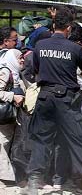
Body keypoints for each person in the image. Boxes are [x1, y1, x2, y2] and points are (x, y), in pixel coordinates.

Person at [23, 7, 82, 195]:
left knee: (41, 140)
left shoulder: (40, 46)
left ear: (53, 24)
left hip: (45, 98)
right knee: (79, 140)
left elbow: (36, 71)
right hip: (67, 100)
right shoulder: (75, 49)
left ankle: (34, 184)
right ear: (68, 27)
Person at [0, 49, 25, 186]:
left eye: (22, 58)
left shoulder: (16, 73)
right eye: (19, 58)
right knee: (2, 145)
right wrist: (12, 96)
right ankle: (6, 179)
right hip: (3, 117)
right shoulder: (5, 71)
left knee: (8, 145)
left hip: (12, 117)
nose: (22, 60)